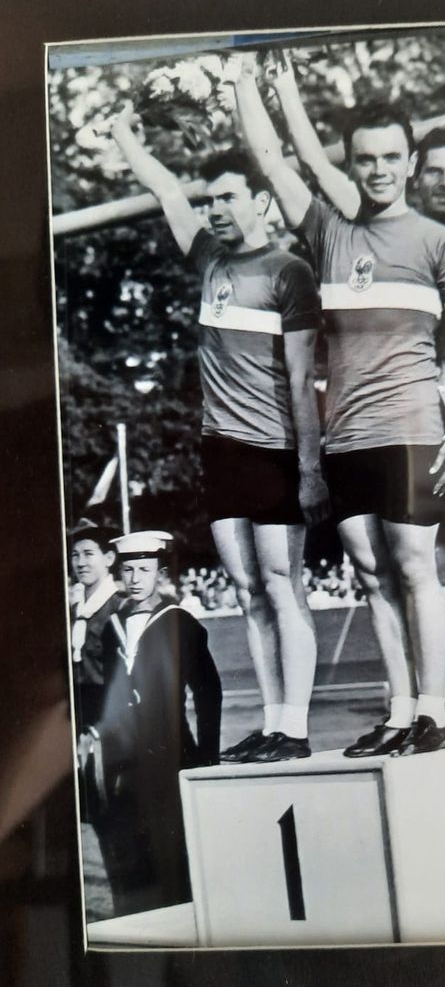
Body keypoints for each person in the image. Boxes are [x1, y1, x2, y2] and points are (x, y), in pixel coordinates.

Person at [232, 51, 445, 756]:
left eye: (390, 156)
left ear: (410, 162)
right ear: (352, 163)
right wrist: (249, 82)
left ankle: (432, 711)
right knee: (370, 575)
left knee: (413, 566)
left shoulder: (442, 243)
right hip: (345, 436)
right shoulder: (327, 233)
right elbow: (273, 160)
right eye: (364, 158)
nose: (377, 168)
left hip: (411, 428)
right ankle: (401, 709)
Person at [111, 105, 329, 763]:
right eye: (213, 201)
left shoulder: (290, 272)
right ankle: (271, 722)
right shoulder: (209, 259)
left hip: (275, 448)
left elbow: (300, 382)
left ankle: (294, 725)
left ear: (261, 198)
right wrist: (124, 135)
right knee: (245, 587)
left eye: (230, 197)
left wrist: (311, 468)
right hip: (221, 449)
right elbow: (167, 190)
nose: (217, 211)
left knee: (280, 581)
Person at [78, 530, 222, 917]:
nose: (136, 578)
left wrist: (208, 755)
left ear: (160, 572)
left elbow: (208, 692)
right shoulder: (111, 628)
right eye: (128, 570)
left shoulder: (180, 623)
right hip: (123, 764)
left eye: (145, 569)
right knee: (134, 865)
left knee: (176, 855)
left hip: (172, 755)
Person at [68, 518, 123, 733]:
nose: (80, 563)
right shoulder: (74, 612)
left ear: (109, 558)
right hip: (78, 715)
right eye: (75, 555)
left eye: (89, 554)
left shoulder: (120, 607)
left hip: (111, 714)